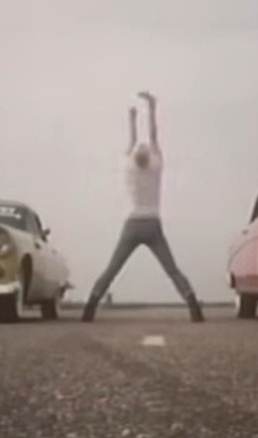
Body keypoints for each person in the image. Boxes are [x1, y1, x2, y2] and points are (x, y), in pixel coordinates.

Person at [81, 91, 204, 322]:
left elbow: (132, 142)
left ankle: (90, 306)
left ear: (134, 157)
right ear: (149, 156)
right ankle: (193, 305)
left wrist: (132, 120)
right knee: (172, 269)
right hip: (153, 224)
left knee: (112, 268)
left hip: (132, 224)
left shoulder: (129, 168)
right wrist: (152, 108)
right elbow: (154, 136)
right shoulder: (155, 167)